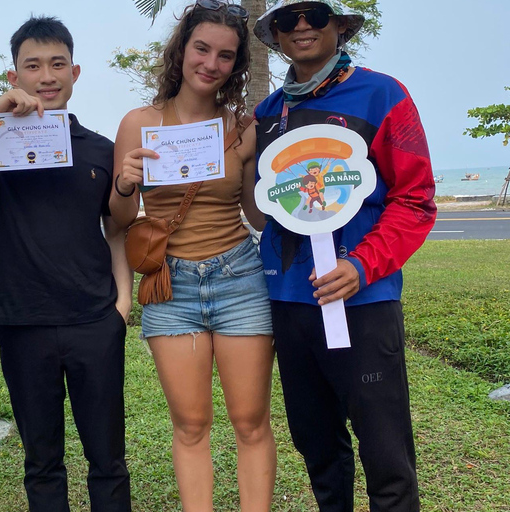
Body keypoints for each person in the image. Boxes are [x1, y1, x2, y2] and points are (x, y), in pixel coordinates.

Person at [252, 1, 437, 510]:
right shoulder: (267, 113)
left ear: (339, 25)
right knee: (317, 448)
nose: (303, 26)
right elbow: (262, 203)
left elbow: (415, 198)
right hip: (289, 302)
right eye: (288, 20)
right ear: (277, 36)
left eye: (314, 14)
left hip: (364, 304)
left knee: (385, 452)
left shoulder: (384, 94)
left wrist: (361, 264)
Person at [0, 16, 132, 512]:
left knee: (108, 456)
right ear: (15, 78)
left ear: (75, 72)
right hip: (24, 322)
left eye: (57, 64)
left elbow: (116, 228)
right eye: (33, 66)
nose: (46, 76)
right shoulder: (0, 144)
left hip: (95, 320)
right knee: (42, 461)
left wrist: (122, 303)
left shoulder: (100, 149)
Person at [109, 2, 275, 511]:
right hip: (169, 285)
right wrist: (124, 182)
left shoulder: (242, 128)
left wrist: (288, 186)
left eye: (226, 55)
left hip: (240, 277)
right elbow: (118, 219)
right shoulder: (139, 123)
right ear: (181, 50)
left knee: (250, 423)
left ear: (236, 65)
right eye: (201, 48)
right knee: (190, 425)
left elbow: (258, 215)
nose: (211, 62)